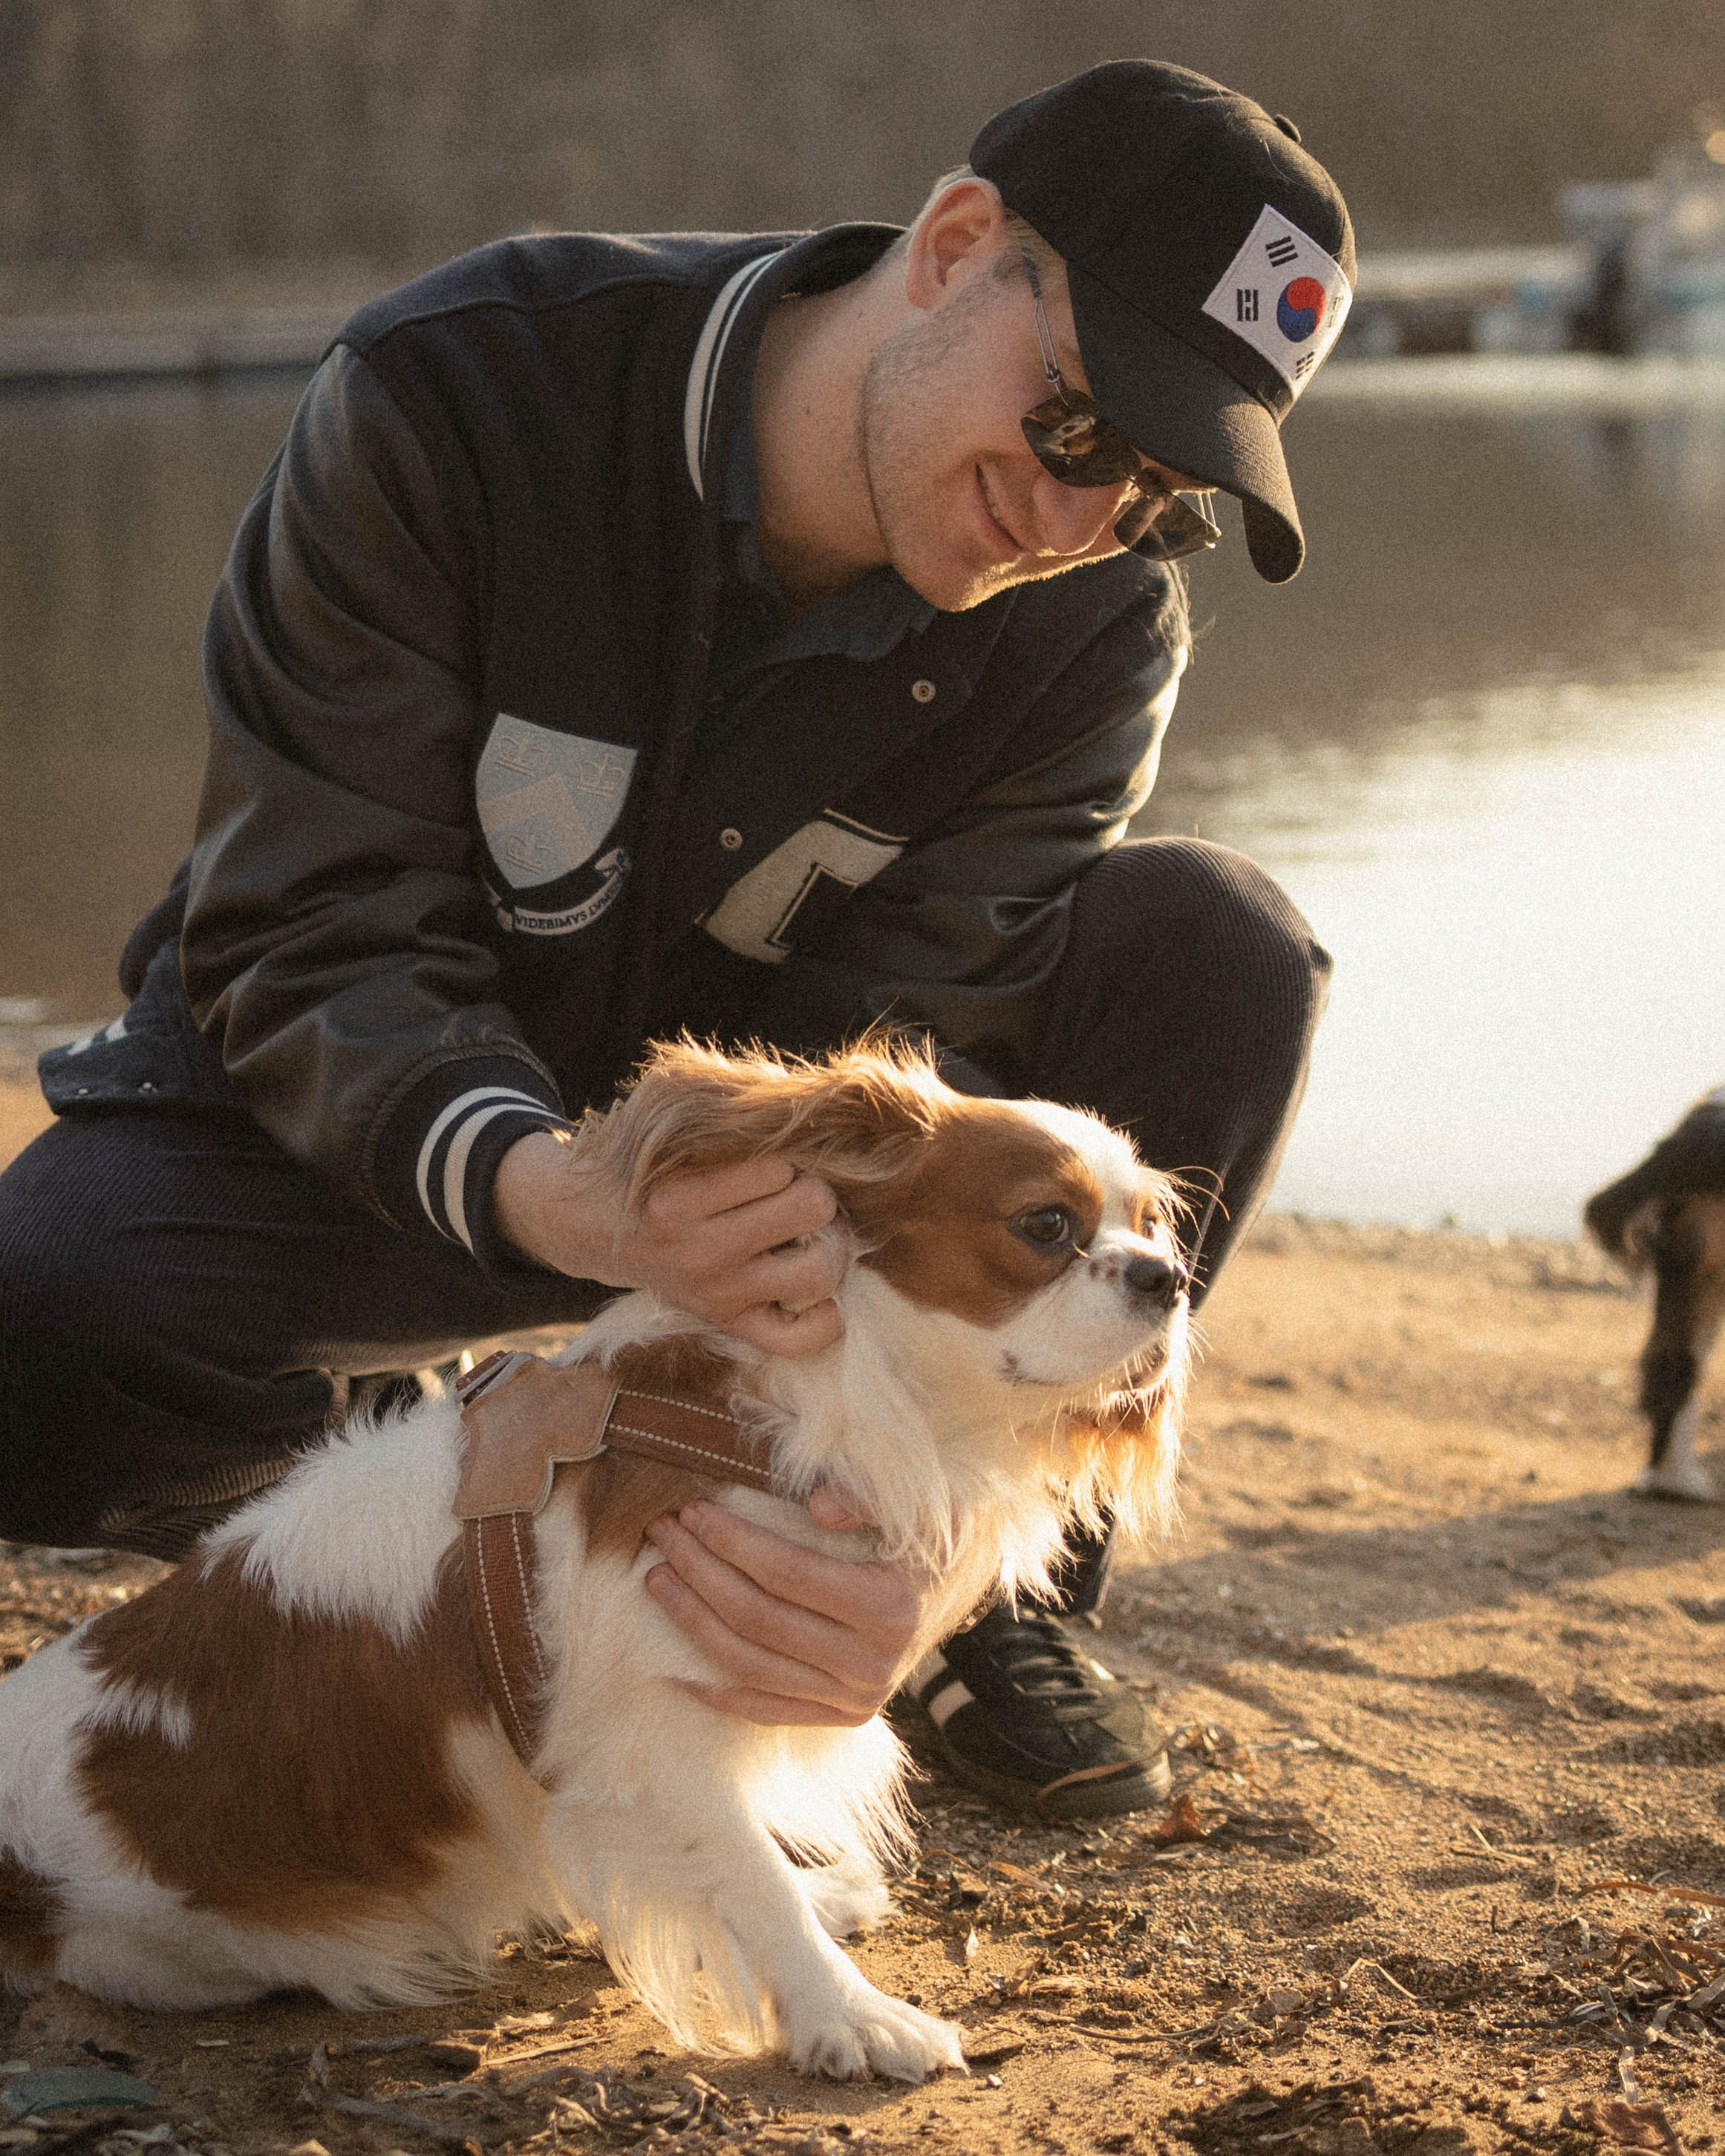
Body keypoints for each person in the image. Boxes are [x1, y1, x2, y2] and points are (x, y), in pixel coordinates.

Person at [0, 60, 1351, 1820]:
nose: (1077, 519)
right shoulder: (462, 392)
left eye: (1154, 492)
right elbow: (316, 922)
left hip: (759, 1198)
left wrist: (883, 1510)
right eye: (1079, 426)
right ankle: (418, 1484)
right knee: (41, 1329)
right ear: (954, 247)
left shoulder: (1093, 618)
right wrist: (551, 1187)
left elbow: (937, 1064)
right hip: (381, 1114)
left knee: (1219, 944)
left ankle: (955, 1602)